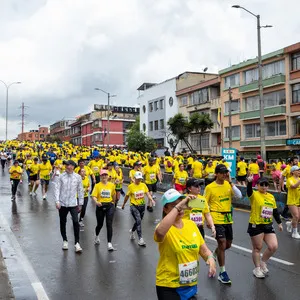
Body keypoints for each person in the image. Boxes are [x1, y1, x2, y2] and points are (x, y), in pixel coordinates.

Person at [154, 188, 216, 300]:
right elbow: (159, 233)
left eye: (182, 204)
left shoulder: (191, 225)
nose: (181, 208)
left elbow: (203, 249)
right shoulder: (163, 228)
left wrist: (210, 258)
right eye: (174, 205)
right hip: (168, 285)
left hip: (190, 284)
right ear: (165, 209)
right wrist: (179, 206)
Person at [204, 164, 242, 284]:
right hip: (216, 217)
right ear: (216, 174)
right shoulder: (210, 187)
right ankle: (222, 272)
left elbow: (239, 196)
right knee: (222, 242)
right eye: (222, 172)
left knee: (228, 245)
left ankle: (214, 253)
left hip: (228, 218)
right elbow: (204, 205)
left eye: (226, 172)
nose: (224, 174)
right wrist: (207, 221)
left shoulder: (228, 185)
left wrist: (231, 182)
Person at [246, 176, 283, 278]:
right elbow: (249, 191)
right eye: (261, 184)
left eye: (266, 184)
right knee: (257, 248)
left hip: (268, 225)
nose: (264, 186)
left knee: (273, 246)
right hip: (256, 225)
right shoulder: (254, 195)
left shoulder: (271, 197)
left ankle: (263, 262)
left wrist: (279, 223)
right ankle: (257, 269)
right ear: (257, 185)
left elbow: (274, 211)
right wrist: (249, 183)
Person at [54, 160, 84, 253]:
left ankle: (77, 243)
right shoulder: (61, 176)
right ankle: (65, 240)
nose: (67, 167)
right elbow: (57, 189)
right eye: (66, 165)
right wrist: (57, 201)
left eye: (69, 165)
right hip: (62, 203)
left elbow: (80, 190)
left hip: (73, 203)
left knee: (75, 222)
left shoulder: (78, 177)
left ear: (73, 167)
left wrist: (80, 203)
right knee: (63, 222)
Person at [122, 171, 154, 246]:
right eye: (137, 179)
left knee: (138, 221)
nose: (139, 180)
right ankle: (140, 239)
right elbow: (127, 196)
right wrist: (123, 204)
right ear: (134, 178)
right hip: (134, 206)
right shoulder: (131, 186)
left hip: (142, 206)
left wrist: (151, 199)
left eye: (140, 179)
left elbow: (147, 193)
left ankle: (132, 231)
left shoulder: (143, 185)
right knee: (138, 220)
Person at [91, 169, 116, 251]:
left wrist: (113, 203)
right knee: (100, 224)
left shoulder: (111, 185)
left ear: (108, 176)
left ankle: (109, 243)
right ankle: (97, 236)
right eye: (103, 175)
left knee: (109, 224)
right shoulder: (97, 185)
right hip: (100, 206)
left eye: (106, 175)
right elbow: (94, 196)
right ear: (100, 176)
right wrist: (96, 202)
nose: (104, 176)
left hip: (109, 206)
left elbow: (113, 194)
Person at [285, 166, 300, 239]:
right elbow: (293, 186)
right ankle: (294, 233)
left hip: (298, 200)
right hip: (291, 200)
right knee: (296, 216)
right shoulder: (289, 179)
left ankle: (290, 224)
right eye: (297, 170)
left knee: (298, 218)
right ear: (293, 172)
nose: (299, 171)